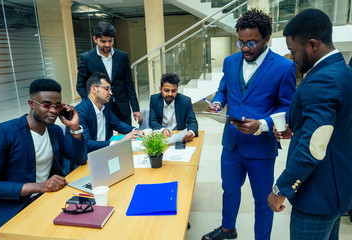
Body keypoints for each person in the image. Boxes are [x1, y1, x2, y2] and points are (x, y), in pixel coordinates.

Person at [202, 9, 296, 240]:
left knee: (263, 200)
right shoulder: (230, 62)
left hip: (261, 147)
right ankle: (227, 229)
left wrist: (262, 124)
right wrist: (217, 102)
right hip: (232, 143)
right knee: (229, 191)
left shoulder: (284, 67)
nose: (244, 48)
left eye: (251, 43)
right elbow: (224, 90)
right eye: (241, 42)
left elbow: (287, 107)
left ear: (266, 39)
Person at [268, 9, 352, 240]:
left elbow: (314, 148)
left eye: (293, 51)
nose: (292, 58)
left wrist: (280, 189)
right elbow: (334, 127)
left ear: (313, 45)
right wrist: (296, 130)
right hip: (338, 190)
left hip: (317, 195)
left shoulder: (323, 81)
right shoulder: (344, 72)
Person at [0, 79, 87, 237]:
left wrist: (74, 128)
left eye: (57, 106)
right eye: (46, 104)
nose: (53, 111)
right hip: (14, 209)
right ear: (31, 103)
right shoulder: (3, 133)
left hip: (47, 199)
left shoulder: (55, 131)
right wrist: (41, 186)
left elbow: (80, 159)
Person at [76, 21, 142, 126]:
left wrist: (136, 108)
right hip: (101, 106)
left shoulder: (122, 56)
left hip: (122, 106)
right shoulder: (86, 58)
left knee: (128, 136)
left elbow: (129, 84)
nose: (107, 45)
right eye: (103, 41)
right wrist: (91, 104)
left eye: (110, 41)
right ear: (95, 39)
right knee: (105, 139)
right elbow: (80, 85)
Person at [75, 72, 143, 153]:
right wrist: (118, 142)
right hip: (89, 157)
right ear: (94, 89)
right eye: (107, 89)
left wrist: (135, 131)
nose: (111, 93)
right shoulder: (80, 112)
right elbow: (87, 144)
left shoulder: (105, 107)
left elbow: (117, 124)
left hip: (106, 152)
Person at [149, 73, 198, 142]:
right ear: (160, 89)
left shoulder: (185, 101)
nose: (170, 94)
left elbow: (192, 121)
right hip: (161, 136)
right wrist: (162, 130)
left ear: (177, 89)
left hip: (179, 137)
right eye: (166, 90)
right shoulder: (154, 99)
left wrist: (191, 132)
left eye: (173, 91)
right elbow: (152, 121)